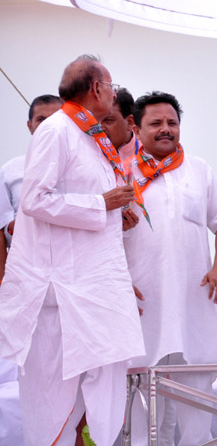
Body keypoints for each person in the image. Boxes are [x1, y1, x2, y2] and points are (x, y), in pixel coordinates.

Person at [0, 55, 145, 446]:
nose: (114, 93)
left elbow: (82, 203)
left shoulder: (90, 136)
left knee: (97, 398)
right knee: (53, 405)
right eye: (111, 86)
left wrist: (115, 212)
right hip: (60, 298)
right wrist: (102, 204)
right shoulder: (58, 130)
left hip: (92, 293)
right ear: (96, 88)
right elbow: (35, 200)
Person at [123, 91, 217, 445]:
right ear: (136, 127)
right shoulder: (121, 171)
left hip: (193, 302)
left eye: (172, 123)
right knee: (137, 400)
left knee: (195, 403)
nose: (166, 130)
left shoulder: (199, 169)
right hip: (142, 304)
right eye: (156, 123)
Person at [0, 94, 63, 251]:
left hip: (75, 268)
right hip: (25, 265)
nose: (48, 125)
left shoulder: (85, 168)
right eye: (41, 119)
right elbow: (2, 230)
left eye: (55, 119)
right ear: (30, 126)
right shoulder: (9, 171)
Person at [101, 88, 139, 163]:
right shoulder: (84, 152)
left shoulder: (151, 154)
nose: (99, 127)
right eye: (96, 120)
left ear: (130, 122)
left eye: (108, 120)